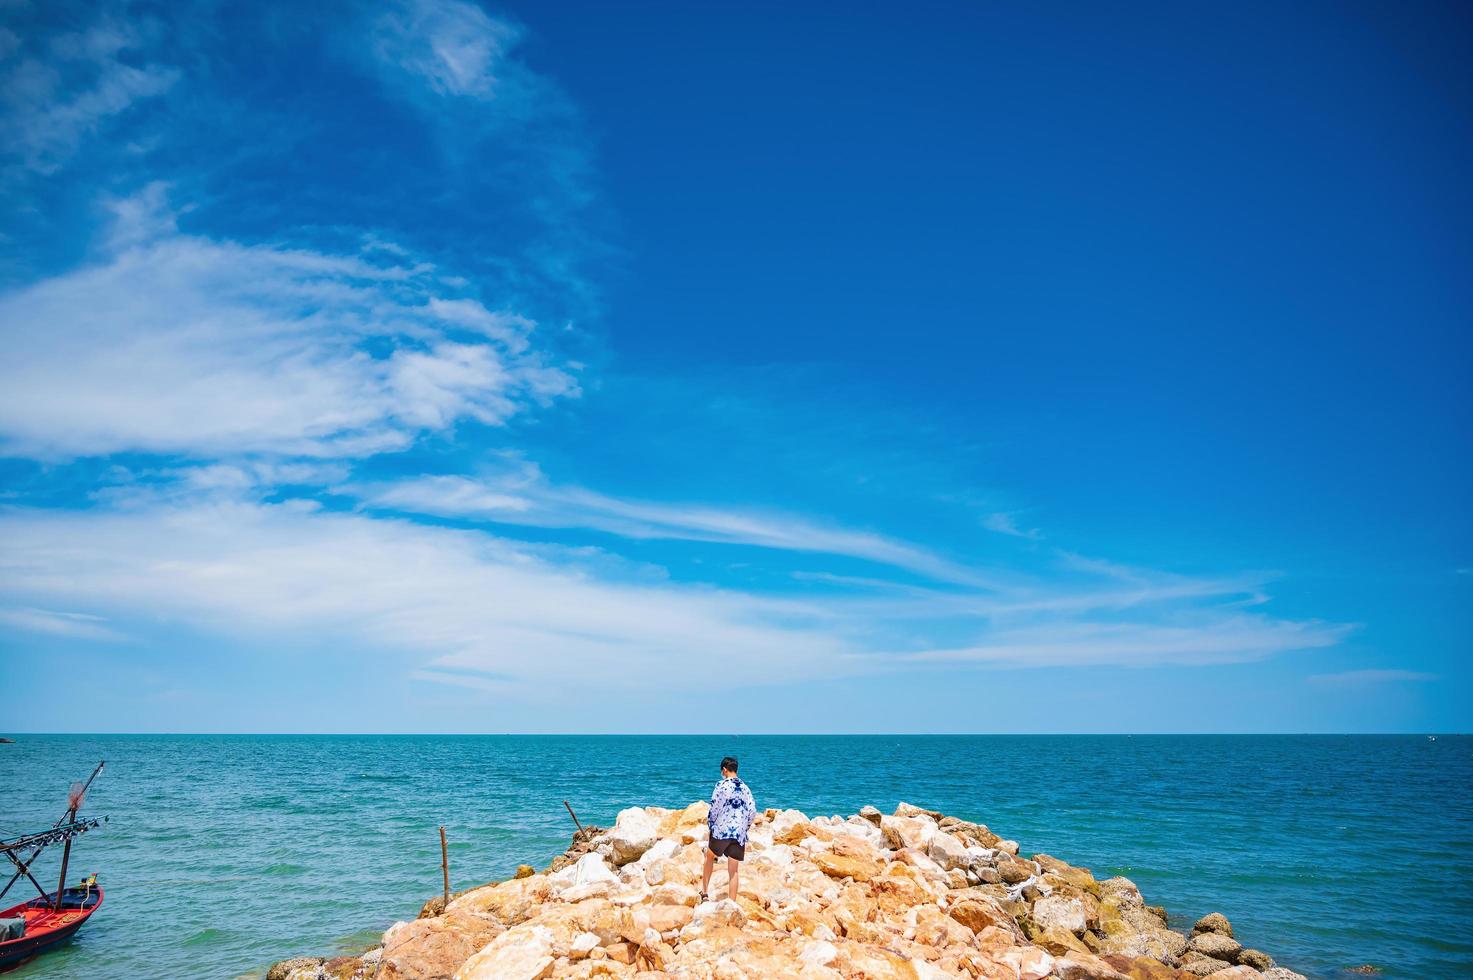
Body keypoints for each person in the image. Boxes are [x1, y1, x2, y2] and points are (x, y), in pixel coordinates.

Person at [700, 755, 756, 903]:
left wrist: (711, 824)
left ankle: (705, 893)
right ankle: (732, 904)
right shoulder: (746, 788)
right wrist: (745, 828)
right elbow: (752, 812)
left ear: (724, 770)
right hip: (739, 834)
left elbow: (715, 807)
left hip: (722, 830)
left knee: (710, 856)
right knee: (734, 870)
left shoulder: (721, 785)